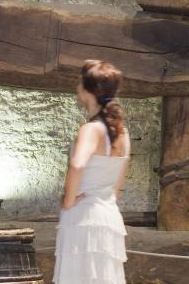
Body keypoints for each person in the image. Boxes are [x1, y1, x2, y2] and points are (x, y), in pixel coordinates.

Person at [53, 59, 131, 283]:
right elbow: (118, 184)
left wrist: (68, 201)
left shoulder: (91, 129)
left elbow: (77, 164)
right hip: (108, 214)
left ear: (88, 90)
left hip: (83, 215)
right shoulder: (122, 133)